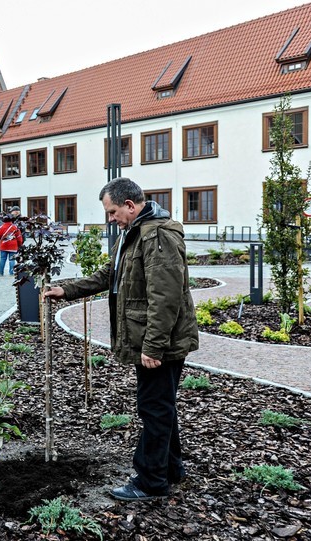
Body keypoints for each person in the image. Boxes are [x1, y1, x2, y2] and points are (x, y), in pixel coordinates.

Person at [44, 177, 199, 501]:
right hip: (152, 338)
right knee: (161, 405)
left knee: (153, 408)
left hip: (159, 343)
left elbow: (166, 295)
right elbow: (108, 275)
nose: (110, 219)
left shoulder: (157, 235)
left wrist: (153, 346)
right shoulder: (133, 232)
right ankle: (171, 469)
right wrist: (67, 290)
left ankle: (150, 481)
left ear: (130, 205)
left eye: (113, 212)